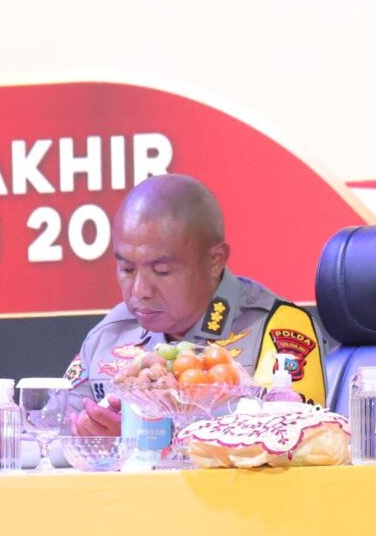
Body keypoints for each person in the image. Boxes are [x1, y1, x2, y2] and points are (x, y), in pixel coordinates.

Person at [65, 174, 324, 433]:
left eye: (162, 271)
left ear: (214, 261)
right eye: (127, 269)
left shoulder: (275, 329)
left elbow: (291, 438)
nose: (140, 290)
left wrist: (144, 437)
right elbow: (52, 430)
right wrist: (85, 435)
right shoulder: (109, 333)